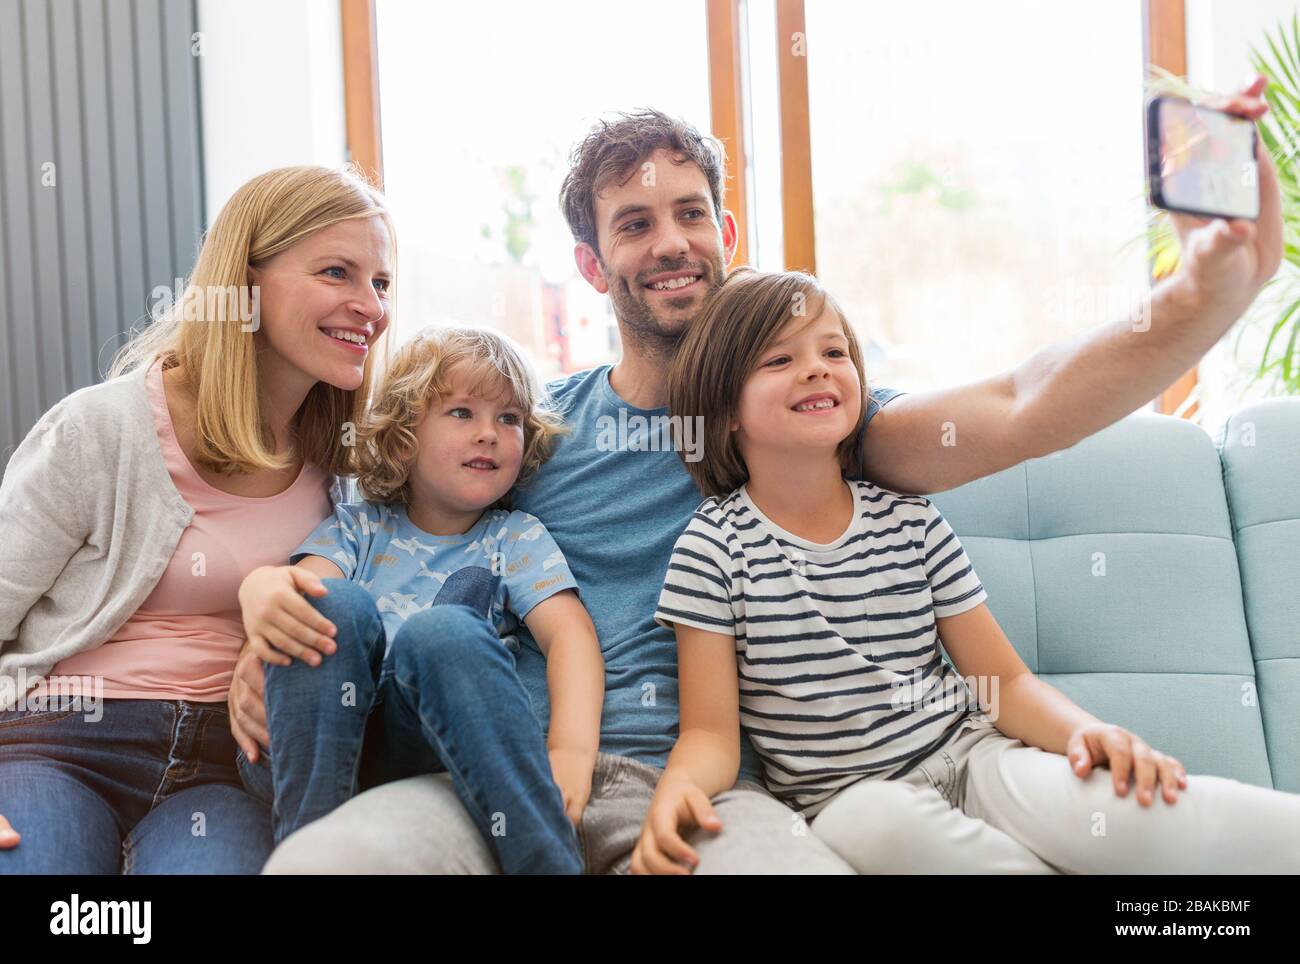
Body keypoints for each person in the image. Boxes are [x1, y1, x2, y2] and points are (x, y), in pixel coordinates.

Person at [248, 77, 1281, 874]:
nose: (671, 243)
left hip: (721, 793)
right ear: (590, 263)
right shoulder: (528, 428)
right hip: (509, 774)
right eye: (634, 223)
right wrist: (267, 595)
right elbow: (381, 526)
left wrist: (1205, 286)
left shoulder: (805, 423)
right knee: (323, 862)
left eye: (690, 213)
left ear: (725, 234)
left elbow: (1024, 400)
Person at [633, 267, 1300, 875]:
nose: (818, 370)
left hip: (980, 760)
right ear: (721, 415)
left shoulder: (909, 518)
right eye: (780, 359)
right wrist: (678, 791)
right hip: (852, 800)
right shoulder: (713, 546)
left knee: (1158, 815)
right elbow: (710, 732)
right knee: (881, 823)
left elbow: (1005, 682)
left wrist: (1087, 733)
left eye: (834, 352)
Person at [0, 165, 394, 873]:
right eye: (338, 272)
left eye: (382, 282)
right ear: (245, 286)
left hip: (223, 767)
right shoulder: (102, 429)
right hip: (61, 744)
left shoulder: (348, 468)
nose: (370, 306)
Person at [235, 326, 603, 874]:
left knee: (446, 632)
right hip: (316, 737)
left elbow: (571, 636)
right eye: (462, 413)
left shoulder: (514, 537)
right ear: (403, 438)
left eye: (509, 419)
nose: (490, 434)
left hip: (427, 734)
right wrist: (258, 596)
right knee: (333, 603)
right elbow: (301, 599)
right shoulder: (358, 527)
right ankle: (308, 848)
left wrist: (571, 749)